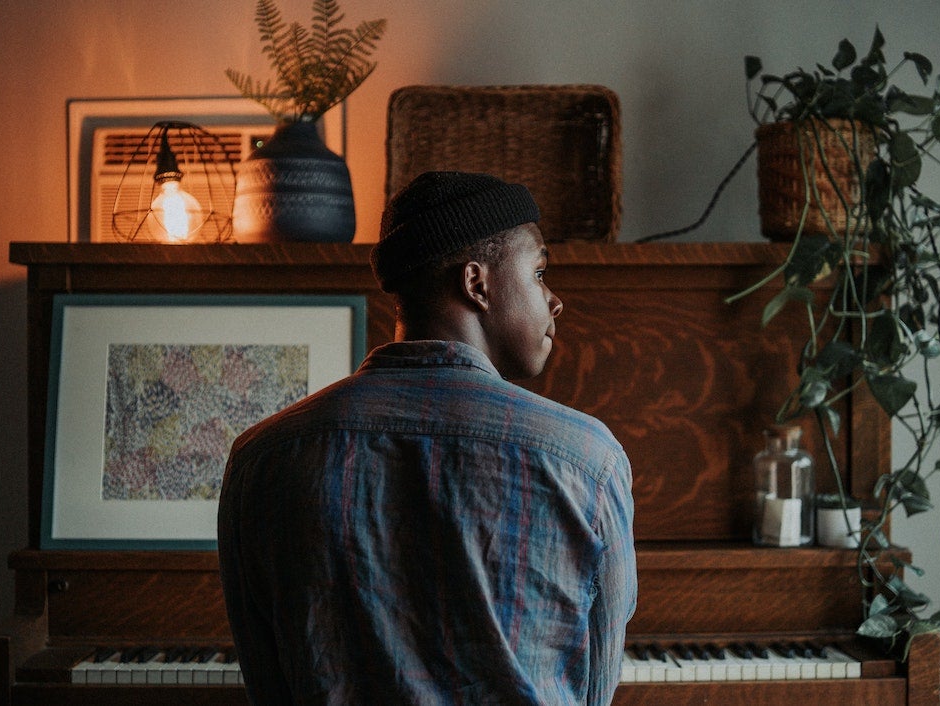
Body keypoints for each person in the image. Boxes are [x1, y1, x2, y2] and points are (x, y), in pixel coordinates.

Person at [218, 171, 637, 705]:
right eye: (537, 272)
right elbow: (595, 688)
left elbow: (269, 683)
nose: (555, 301)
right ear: (476, 283)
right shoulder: (587, 457)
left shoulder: (261, 457)